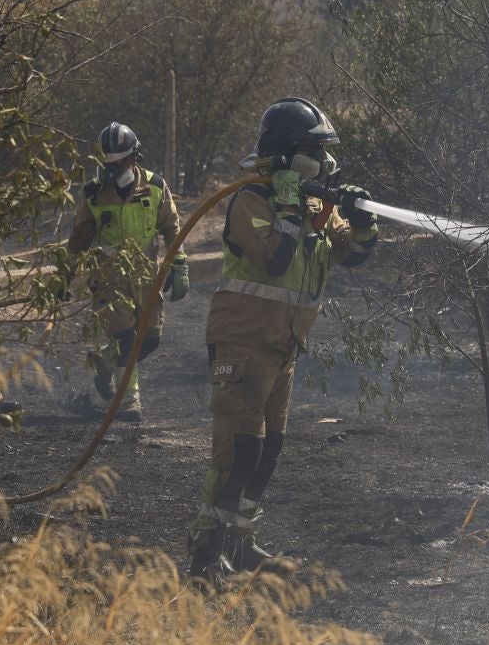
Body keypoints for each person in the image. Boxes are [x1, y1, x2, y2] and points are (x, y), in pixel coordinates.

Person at [188, 98, 379, 576]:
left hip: (283, 346)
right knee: (238, 450)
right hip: (243, 341)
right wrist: (292, 207)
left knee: (270, 447)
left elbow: (351, 254)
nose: (325, 158)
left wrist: (360, 221)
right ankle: (206, 553)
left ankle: (242, 541)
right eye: (315, 148)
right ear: (289, 151)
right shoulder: (251, 199)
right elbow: (274, 258)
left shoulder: (314, 204)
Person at [65, 122, 188, 422]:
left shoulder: (155, 187)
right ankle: (130, 400)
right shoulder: (93, 193)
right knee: (126, 338)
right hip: (108, 279)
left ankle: (105, 364)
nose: (110, 171)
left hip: (146, 277)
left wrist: (179, 264)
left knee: (150, 340)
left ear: (133, 159)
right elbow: (78, 238)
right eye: (105, 164)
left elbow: (172, 229)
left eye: (117, 164)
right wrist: (65, 275)